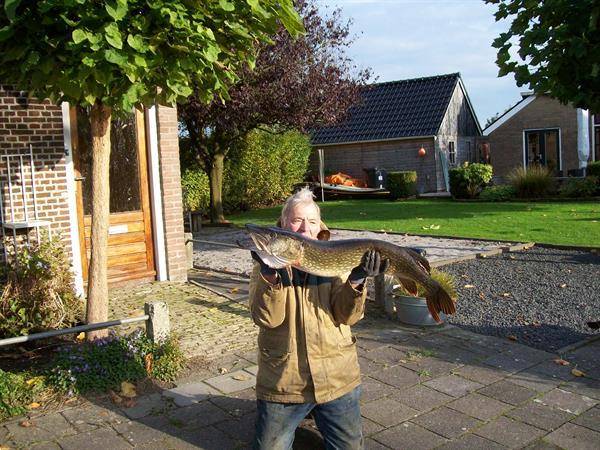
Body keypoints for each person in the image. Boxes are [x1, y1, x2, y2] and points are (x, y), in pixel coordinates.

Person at [248, 187, 389, 450]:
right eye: (297, 220)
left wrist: (357, 279)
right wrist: (270, 279)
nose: (305, 228)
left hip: (337, 377)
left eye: (312, 221)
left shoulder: (337, 258)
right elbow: (266, 318)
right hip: (285, 382)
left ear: (319, 225)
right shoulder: (265, 265)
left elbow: (347, 316)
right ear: (284, 225)